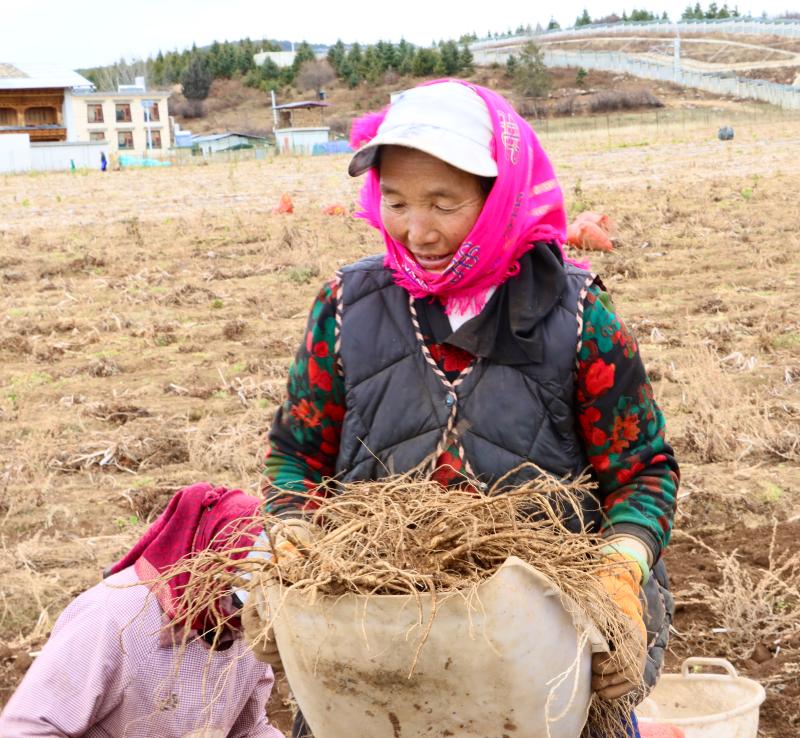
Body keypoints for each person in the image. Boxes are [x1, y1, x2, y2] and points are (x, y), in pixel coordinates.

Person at [258, 79, 678, 738]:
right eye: (395, 202)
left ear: (498, 195)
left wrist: (620, 574)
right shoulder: (345, 308)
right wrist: (293, 543)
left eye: (442, 203)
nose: (416, 230)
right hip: (377, 661)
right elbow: (296, 457)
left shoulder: (579, 318)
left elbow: (642, 474)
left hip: (539, 660)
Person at [0, 483, 286, 738]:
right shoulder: (113, 618)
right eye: (240, 601)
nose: (249, 619)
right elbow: (26, 729)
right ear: (206, 568)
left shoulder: (251, 627)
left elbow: (249, 729)